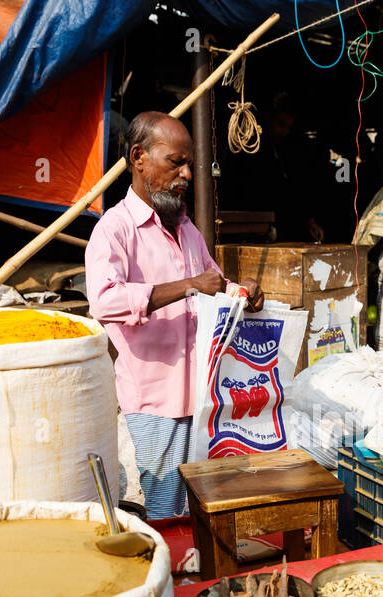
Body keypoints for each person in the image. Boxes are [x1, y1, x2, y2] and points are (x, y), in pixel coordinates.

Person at [86, 111, 263, 519]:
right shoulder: (114, 229)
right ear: (139, 158)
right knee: (167, 509)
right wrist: (186, 286)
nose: (185, 174)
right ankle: (173, 582)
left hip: (201, 396)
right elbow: (104, 300)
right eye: (175, 162)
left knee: (202, 505)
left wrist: (243, 292)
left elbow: (212, 285)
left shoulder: (186, 229)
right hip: (154, 400)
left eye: (189, 164)